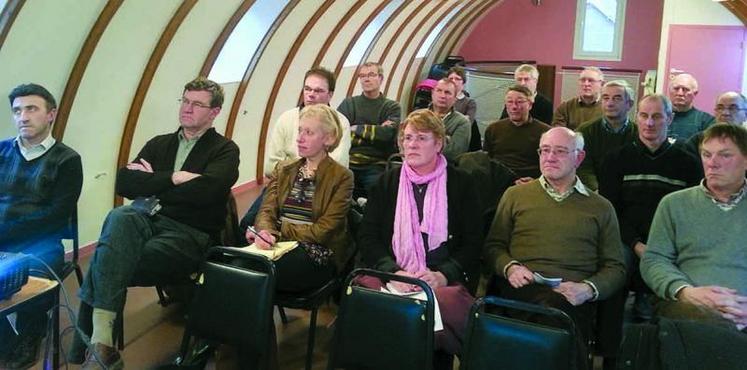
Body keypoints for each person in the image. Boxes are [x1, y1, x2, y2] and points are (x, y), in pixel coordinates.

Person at [73, 77, 240, 369]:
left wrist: (152, 182)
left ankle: (94, 347)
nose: (187, 109)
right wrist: (174, 178)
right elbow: (124, 182)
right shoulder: (159, 144)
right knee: (120, 215)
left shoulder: (225, 150)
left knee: (106, 259)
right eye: (185, 101)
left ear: (214, 112)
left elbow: (210, 193)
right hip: (146, 220)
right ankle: (103, 344)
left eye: (197, 104)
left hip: (190, 234)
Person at [485, 127, 626, 370]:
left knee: (558, 312)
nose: (550, 157)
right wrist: (510, 268)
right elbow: (493, 246)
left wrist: (588, 289)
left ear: (579, 158)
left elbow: (616, 267)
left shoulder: (600, 207)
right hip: (522, 288)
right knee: (554, 316)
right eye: (545, 150)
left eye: (560, 151)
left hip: (574, 296)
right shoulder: (515, 195)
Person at [358, 109, 482, 365]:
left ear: (438, 143)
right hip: (397, 274)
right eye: (407, 137)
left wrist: (443, 274)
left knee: (432, 319)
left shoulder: (462, 183)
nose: (412, 144)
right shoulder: (386, 182)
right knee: (368, 307)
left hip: (441, 277)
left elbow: (473, 242)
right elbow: (368, 237)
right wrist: (394, 271)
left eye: (421, 138)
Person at [0, 83, 82, 369]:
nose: (23, 116)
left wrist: (5, 233)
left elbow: (56, 216)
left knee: (31, 278)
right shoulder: (1, 151)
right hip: (3, 237)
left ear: (51, 115)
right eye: (17, 110)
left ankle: (32, 331)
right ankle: (7, 337)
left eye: (31, 109)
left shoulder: (68, 160)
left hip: (41, 241)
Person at [599, 94, 702, 321]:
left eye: (657, 117)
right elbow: (610, 210)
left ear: (670, 118)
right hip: (626, 239)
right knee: (616, 269)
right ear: (637, 117)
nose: (649, 123)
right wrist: (636, 244)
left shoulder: (688, 163)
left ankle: (657, 336)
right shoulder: (616, 159)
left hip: (670, 242)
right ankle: (610, 346)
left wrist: (659, 248)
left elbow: (692, 213)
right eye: (644, 116)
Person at [641, 123, 747, 332]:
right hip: (688, 303)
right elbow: (654, 259)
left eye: (724, 155)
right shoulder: (674, 204)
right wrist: (685, 292)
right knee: (708, 328)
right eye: (707, 155)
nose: (712, 163)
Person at [250, 104, 353, 292]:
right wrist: (265, 232)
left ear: (328, 138)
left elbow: (324, 231)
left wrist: (278, 232)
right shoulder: (284, 169)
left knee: (261, 273)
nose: (299, 138)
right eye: (299, 131)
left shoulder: (342, 177)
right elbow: (266, 210)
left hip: (316, 252)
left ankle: (256, 321)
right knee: (237, 266)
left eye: (309, 132)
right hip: (278, 244)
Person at [264, 67, 351, 175]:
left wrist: (289, 165)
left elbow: (337, 168)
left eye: (318, 91)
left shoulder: (341, 123)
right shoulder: (286, 119)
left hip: (324, 187)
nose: (311, 94)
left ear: (330, 95)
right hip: (285, 185)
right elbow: (270, 168)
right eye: (307, 89)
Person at [337, 61, 402, 199]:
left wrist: (355, 129)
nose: (366, 79)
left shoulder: (392, 107)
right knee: (335, 192)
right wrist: (375, 132)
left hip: (376, 164)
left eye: (371, 75)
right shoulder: (349, 103)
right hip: (348, 161)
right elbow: (338, 132)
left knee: (380, 195)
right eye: (362, 76)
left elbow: (387, 135)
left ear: (381, 78)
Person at [576, 80, 638, 191]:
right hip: (593, 194)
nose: (610, 103)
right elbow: (582, 166)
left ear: (629, 104)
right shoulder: (585, 131)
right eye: (605, 98)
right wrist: (597, 192)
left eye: (617, 98)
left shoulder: (639, 134)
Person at [483, 85, 550, 179]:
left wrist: (536, 181)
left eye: (519, 102)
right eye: (510, 102)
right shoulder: (493, 129)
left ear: (530, 105)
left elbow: (549, 163)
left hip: (531, 181)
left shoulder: (545, 132)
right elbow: (486, 161)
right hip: (499, 180)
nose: (514, 107)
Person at [429, 78, 471, 160]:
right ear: (432, 94)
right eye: (439, 91)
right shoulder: (418, 117)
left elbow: (453, 153)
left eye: (447, 93)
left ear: (455, 99)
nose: (442, 96)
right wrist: (446, 139)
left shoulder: (462, 122)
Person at [667, 73, 714, 141]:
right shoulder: (659, 117)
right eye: (676, 89)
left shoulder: (706, 121)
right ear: (669, 91)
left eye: (685, 89)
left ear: (695, 93)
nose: (680, 93)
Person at [447, 66, 482, 152]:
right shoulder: (443, 99)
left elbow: (467, 123)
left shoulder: (469, 103)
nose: (453, 81)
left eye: (457, 79)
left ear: (463, 82)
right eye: (451, 78)